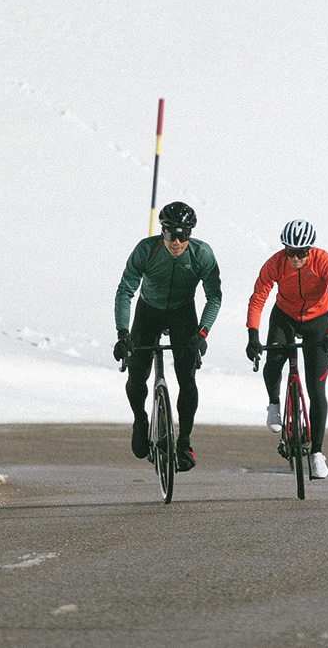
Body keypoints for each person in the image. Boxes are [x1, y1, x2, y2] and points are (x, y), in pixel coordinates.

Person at [113, 201, 222, 473]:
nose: (177, 241)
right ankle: (140, 419)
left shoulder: (202, 254)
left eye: (184, 235)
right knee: (137, 374)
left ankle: (184, 441)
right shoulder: (146, 250)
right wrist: (123, 333)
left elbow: (214, 297)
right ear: (162, 232)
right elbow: (125, 291)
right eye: (171, 234)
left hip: (182, 313)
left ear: (190, 235)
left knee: (187, 377)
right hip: (148, 311)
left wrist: (203, 332)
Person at [245, 219, 328, 480]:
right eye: (290, 252)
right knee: (274, 360)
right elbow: (258, 298)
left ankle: (317, 453)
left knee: (317, 389)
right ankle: (274, 403)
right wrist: (253, 334)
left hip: (318, 320)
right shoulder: (275, 263)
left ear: (310, 250)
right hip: (285, 316)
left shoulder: (324, 261)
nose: (296, 258)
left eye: (302, 252)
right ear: (284, 250)